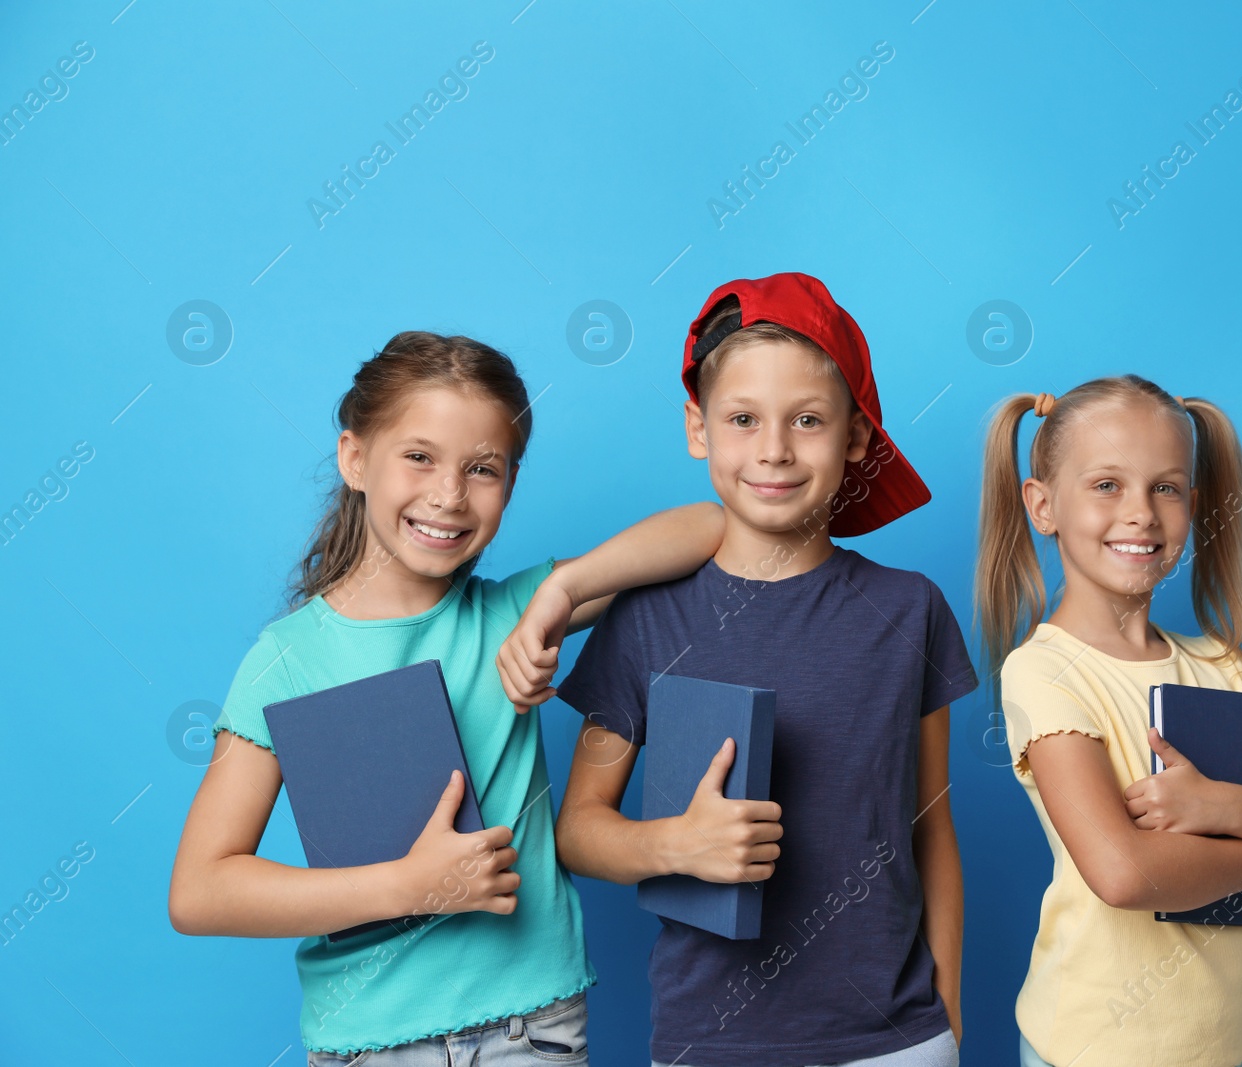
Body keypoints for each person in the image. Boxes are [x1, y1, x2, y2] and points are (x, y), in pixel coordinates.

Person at [168, 330, 725, 1064]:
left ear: (512, 482)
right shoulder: (287, 659)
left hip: (530, 1022)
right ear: (355, 458)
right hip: (370, 1037)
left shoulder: (515, 612)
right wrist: (409, 884)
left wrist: (561, 590)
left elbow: (711, 526)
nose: (448, 495)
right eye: (419, 457)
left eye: (483, 469)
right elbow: (201, 889)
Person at [553, 273, 974, 1067]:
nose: (775, 450)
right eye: (743, 418)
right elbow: (578, 828)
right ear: (698, 427)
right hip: (709, 1039)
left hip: (897, 1040)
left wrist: (949, 1005)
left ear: (856, 436)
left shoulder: (910, 609)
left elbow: (932, 827)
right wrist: (674, 845)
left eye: (808, 420)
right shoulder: (645, 616)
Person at [974, 376, 1242, 1067]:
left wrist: (1219, 805)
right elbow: (1124, 873)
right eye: (1106, 484)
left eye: (1164, 487)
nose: (1140, 512)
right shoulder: (1044, 672)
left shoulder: (1229, 666)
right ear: (1042, 505)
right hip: (1090, 1047)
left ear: (1192, 506)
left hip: (1226, 1049)